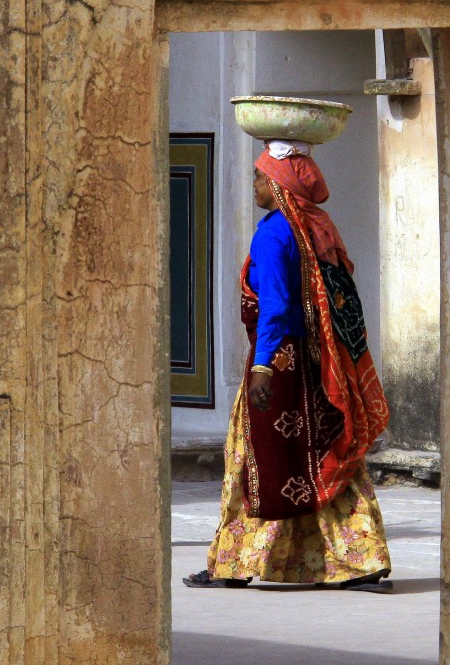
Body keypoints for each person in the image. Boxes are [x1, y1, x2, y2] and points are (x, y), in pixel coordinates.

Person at [183, 139, 393, 591]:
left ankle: (236, 564)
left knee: (256, 460)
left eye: (260, 177)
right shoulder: (317, 228)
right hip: (319, 365)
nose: (254, 184)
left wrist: (262, 368)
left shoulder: (275, 233)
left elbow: (275, 306)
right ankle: (361, 560)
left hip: (279, 363)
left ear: (278, 186)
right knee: (325, 457)